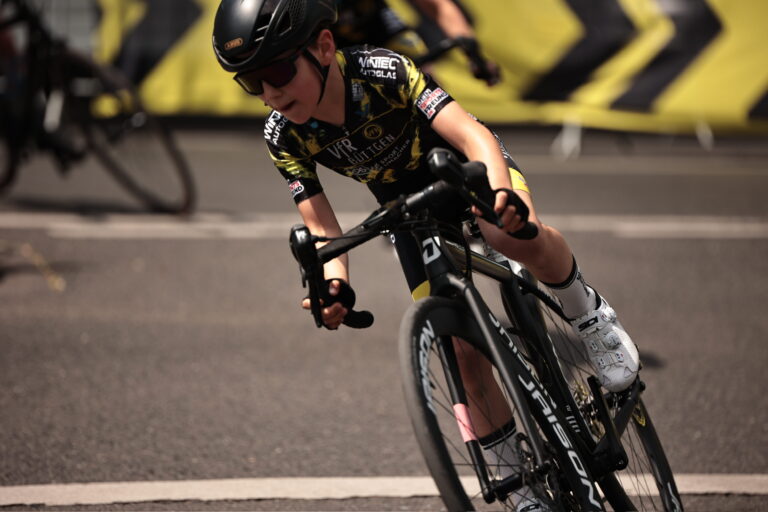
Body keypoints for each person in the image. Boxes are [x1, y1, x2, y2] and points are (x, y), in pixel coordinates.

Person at [212, 1, 639, 509]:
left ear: (324, 47)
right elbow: (324, 230)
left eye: (278, 72)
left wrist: (501, 196)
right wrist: (334, 285)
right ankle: (521, 489)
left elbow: (473, 135)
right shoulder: (282, 135)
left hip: (466, 169)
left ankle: (587, 312)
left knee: (504, 235)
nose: (269, 94)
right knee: (458, 347)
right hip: (407, 209)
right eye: (251, 84)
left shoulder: (381, 70)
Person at [333, 0, 500, 85]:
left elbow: (438, 6)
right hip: (324, 37)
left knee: (425, 79)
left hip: (378, 26)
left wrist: (474, 55)